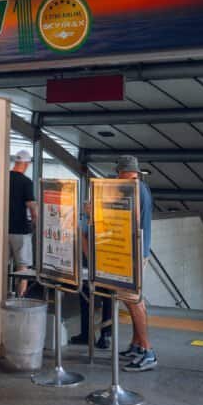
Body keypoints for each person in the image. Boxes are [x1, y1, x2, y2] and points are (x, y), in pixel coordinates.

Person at [114, 155, 157, 372]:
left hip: (132, 253)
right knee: (132, 300)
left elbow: (126, 220)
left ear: (121, 172)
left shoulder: (131, 189)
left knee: (134, 300)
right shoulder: (142, 187)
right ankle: (137, 345)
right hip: (139, 250)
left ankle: (148, 351)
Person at [70, 201, 112, 349]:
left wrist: (89, 259)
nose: (86, 207)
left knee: (95, 295)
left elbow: (84, 239)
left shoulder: (93, 217)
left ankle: (97, 335)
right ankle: (100, 335)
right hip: (104, 261)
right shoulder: (91, 216)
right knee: (101, 296)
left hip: (101, 260)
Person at [8, 149, 38, 296]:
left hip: (2, 229)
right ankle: (20, 298)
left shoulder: (4, 178)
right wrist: (36, 221)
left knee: (1, 266)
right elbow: (31, 205)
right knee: (23, 267)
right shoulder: (26, 182)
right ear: (26, 164)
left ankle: (1, 295)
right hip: (20, 230)